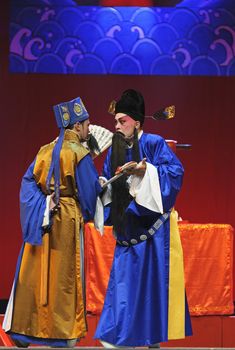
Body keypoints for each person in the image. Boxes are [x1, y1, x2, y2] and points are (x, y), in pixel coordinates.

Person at [94, 89, 192, 348]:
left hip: (151, 227)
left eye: (122, 121)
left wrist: (145, 169)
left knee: (150, 285)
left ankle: (151, 339)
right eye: (115, 121)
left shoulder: (153, 142)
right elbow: (106, 178)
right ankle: (118, 335)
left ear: (136, 122)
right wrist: (103, 185)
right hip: (127, 225)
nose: (116, 126)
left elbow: (174, 172)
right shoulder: (114, 147)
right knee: (123, 283)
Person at [3, 97, 102, 347]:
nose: (89, 129)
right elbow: (89, 195)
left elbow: (28, 182)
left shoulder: (44, 151)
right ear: (77, 126)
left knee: (35, 272)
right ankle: (63, 333)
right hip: (67, 217)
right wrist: (97, 197)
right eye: (87, 124)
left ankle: (24, 331)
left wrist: (42, 205)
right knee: (65, 275)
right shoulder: (80, 153)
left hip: (43, 217)